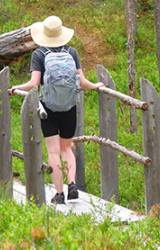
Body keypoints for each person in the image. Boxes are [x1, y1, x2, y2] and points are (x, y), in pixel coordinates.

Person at [9, 15, 103, 205]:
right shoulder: (72, 52)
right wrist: (96, 86)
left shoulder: (39, 55)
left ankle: (59, 194)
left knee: (53, 152)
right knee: (67, 148)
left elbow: (34, 83)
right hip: (69, 107)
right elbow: (82, 82)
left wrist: (15, 88)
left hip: (48, 108)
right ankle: (73, 184)